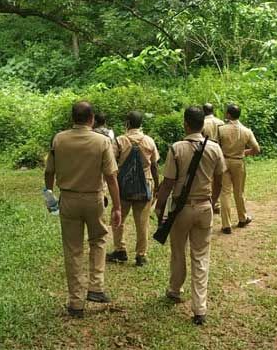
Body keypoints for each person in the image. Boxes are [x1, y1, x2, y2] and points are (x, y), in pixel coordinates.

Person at [45, 101, 123, 318]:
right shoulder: (102, 141)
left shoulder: (59, 139)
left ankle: (76, 302)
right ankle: (96, 287)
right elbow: (111, 177)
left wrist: (49, 195)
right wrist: (117, 207)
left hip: (68, 199)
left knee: (73, 248)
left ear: (73, 118)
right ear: (91, 119)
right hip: (94, 198)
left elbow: (49, 172)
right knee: (98, 240)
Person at [155, 106, 226, 326]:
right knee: (201, 255)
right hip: (205, 207)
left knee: (178, 251)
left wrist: (159, 207)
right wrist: (212, 201)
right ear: (202, 124)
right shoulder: (214, 148)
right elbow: (219, 180)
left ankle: (175, 289)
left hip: (181, 209)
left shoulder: (176, 149)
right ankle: (200, 308)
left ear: (185, 123)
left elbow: (167, 183)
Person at [106, 111, 160, 267]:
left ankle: (120, 250)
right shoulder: (149, 141)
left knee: (119, 219)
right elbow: (155, 165)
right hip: (145, 185)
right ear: (141, 123)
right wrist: (156, 185)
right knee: (142, 222)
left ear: (127, 123)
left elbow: (112, 164)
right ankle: (141, 255)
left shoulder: (120, 141)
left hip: (123, 186)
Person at [216, 104, 260, 234]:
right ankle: (242, 217)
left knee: (225, 192)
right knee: (239, 191)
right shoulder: (246, 130)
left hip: (224, 160)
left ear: (228, 115)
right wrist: (244, 152)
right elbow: (257, 149)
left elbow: (216, 146)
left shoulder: (221, 129)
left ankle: (226, 225)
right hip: (238, 162)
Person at [201, 103, 225, 214]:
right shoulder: (220, 122)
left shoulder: (202, 123)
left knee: (207, 177)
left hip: (205, 152)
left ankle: (210, 200)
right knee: (218, 178)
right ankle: (217, 203)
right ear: (212, 110)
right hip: (219, 151)